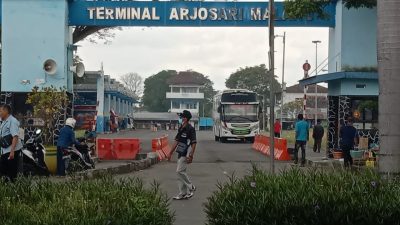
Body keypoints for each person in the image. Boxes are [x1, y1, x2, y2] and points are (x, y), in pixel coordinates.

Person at [171, 110, 197, 200]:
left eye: (182, 117)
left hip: (186, 153)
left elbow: (194, 142)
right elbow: (176, 141)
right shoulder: (181, 128)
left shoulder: (190, 129)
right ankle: (183, 193)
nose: (181, 118)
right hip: (180, 152)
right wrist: (170, 153)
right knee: (180, 173)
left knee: (179, 172)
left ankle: (191, 187)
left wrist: (191, 155)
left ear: (186, 118)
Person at [0, 105, 23, 181]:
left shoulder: (12, 121)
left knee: (11, 172)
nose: (0, 113)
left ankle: (13, 189)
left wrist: (12, 152)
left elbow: (15, 137)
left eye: (1, 111)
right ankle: (7, 187)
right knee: (4, 171)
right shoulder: (3, 121)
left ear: (6, 111)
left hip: (11, 151)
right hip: (5, 150)